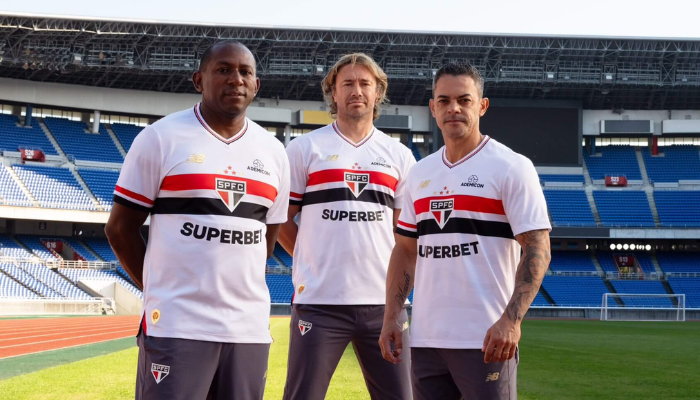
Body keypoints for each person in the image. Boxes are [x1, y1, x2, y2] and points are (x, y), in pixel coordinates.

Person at [105, 41, 290, 400]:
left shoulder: (274, 152)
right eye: (223, 70)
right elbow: (119, 228)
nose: (235, 79)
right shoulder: (161, 138)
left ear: (256, 85)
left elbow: (267, 235)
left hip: (247, 329)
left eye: (245, 72)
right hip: (178, 325)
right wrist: (159, 289)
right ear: (198, 80)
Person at [379, 62, 552, 400]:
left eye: (464, 100)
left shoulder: (511, 167)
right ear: (432, 108)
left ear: (482, 105)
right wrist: (391, 317)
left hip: (486, 339)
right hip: (427, 341)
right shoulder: (420, 173)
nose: (453, 108)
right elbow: (404, 250)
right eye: (443, 101)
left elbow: (537, 248)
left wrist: (511, 320)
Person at [278, 53, 415, 400]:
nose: (357, 90)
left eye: (365, 83)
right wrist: (309, 256)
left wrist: (396, 300)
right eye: (348, 84)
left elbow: (406, 238)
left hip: (383, 305)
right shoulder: (305, 148)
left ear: (377, 92)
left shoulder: (398, 156)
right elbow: (281, 220)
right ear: (333, 94)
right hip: (320, 302)